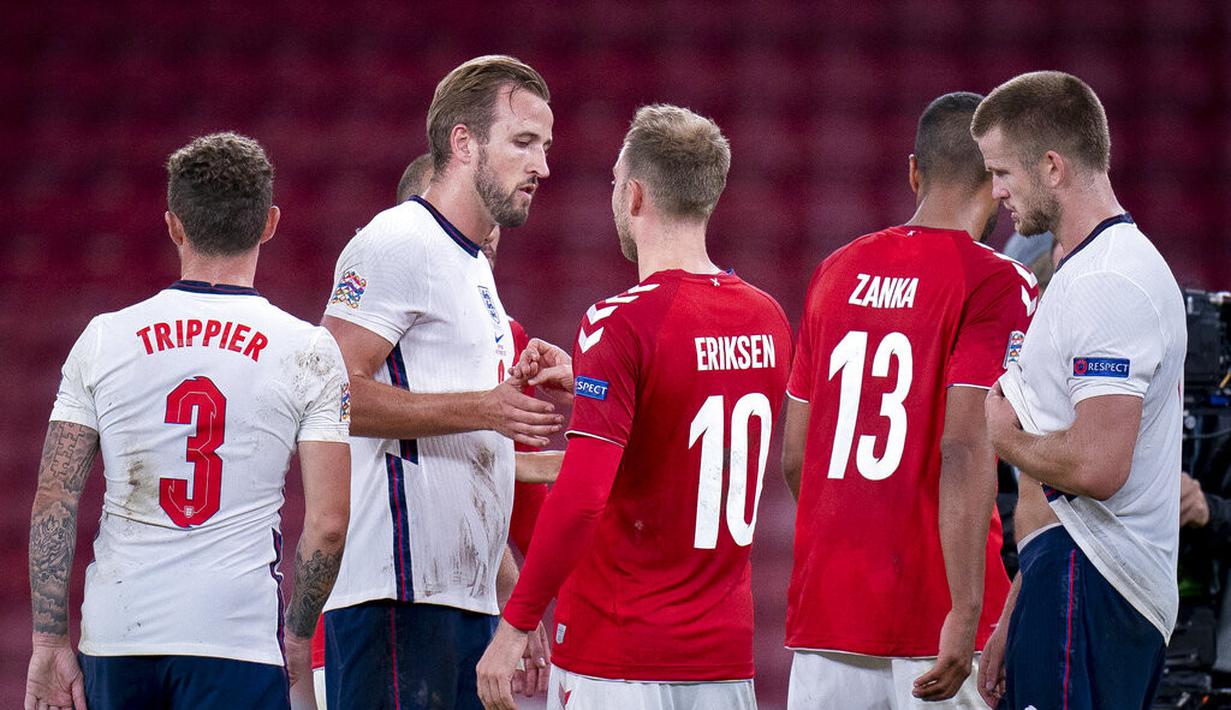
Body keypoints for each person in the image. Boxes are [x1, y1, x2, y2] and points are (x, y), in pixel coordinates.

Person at [476, 103, 793, 710]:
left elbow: (582, 497)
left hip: (620, 656)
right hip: (724, 657)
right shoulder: (769, 316)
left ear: (636, 195)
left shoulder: (618, 322)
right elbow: (687, 408)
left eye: (615, 184)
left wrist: (515, 626)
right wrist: (598, 383)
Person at [25, 132, 351, 710]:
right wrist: (297, 637)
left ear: (174, 225)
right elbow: (327, 523)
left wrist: (50, 639)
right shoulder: (310, 350)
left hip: (120, 632)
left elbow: (55, 497)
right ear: (270, 223)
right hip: (237, 635)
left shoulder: (105, 338)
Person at [780, 92, 1038, 709]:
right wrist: (966, 604)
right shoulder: (1000, 281)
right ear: (997, 182)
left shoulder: (835, 270)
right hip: (937, 614)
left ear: (914, 172)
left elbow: (797, 455)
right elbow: (964, 442)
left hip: (827, 614)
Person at [319, 55, 559, 710]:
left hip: (459, 596)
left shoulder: (472, 265)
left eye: (543, 146)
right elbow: (331, 393)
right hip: (397, 599)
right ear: (463, 142)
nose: (541, 166)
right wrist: (486, 405)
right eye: (522, 142)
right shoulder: (399, 240)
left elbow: (470, 445)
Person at [975, 71, 1186, 709]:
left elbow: (1096, 468)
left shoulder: (1109, 283)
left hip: (1093, 581)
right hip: (1065, 574)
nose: (996, 192)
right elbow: (1061, 490)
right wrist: (1017, 612)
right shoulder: (1086, 269)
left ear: (1053, 167)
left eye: (1004, 172)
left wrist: (1000, 434)